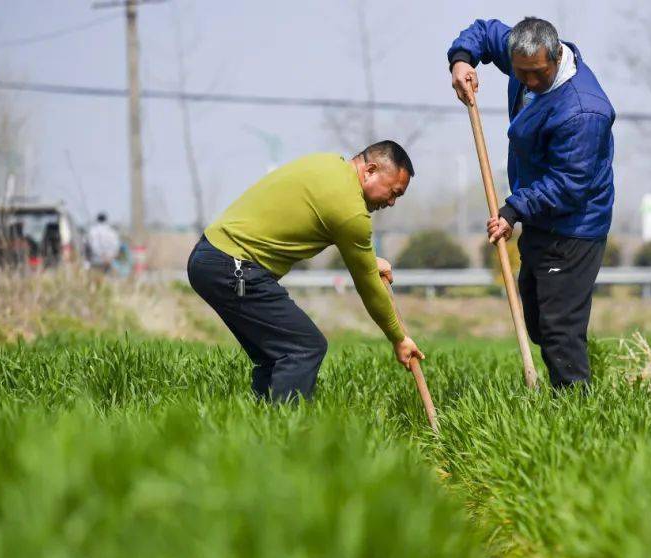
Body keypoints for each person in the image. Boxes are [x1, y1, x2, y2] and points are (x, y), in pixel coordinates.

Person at [447, 16, 615, 389]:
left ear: (556, 56)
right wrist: (462, 61)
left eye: (538, 73)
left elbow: (569, 184)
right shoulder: (525, 60)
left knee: (559, 328)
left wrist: (513, 210)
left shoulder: (583, 110)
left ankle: (574, 410)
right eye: (522, 74)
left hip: (575, 226)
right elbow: (485, 32)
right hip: (539, 214)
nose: (530, 82)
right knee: (537, 317)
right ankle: (563, 370)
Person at [187, 141, 423, 402]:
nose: (391, 202)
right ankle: (287, 435)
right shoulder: (350, 211)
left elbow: (326, 230)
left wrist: (368, 261)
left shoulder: (329, 164)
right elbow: (368, 287)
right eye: (393, 193)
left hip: (211, 256)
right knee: (303, 348)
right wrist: (398, 338)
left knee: (276, 356)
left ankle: (259, 430)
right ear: (370, 170)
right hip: (233, 265)